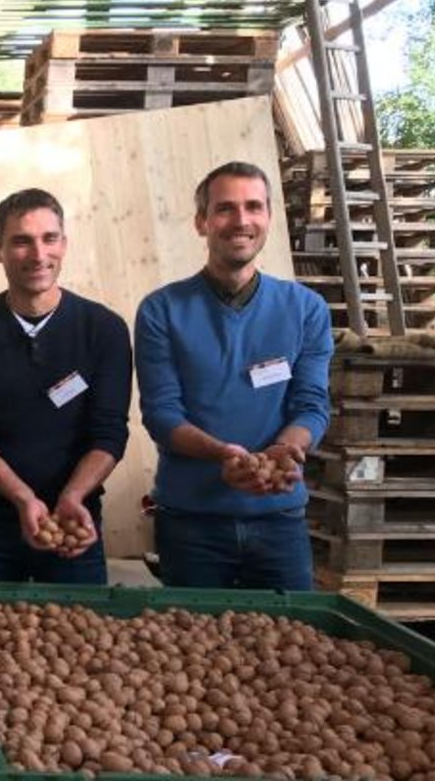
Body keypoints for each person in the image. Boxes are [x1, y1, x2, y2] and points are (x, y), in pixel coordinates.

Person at [135, 161, 332, 590]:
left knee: (289, 633)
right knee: (189, 635)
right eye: (225, 208)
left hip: (279, 519)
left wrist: (286, 449)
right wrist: (222, 454)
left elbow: (312, 405)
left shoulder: (306, 309)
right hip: (191, 523)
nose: (241, 220)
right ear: (201, 222)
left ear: (269, 217)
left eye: (253, 207)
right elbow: (162, 414)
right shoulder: (162, 310)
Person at [0, 188, 132, 583]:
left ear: (64, 244)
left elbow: (110, 433)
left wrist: (72, 496)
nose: (38, 254)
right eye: (21, 241)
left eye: (49, 238)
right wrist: (23, 498)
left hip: (74, 521)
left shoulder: (104, 330)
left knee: (78, 623)